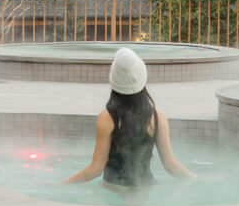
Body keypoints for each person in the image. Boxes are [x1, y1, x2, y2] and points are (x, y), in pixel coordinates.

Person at [63, 48, 195, 192]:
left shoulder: (106, 118)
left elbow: (96, 169)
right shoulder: (157, 116)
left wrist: (61, 184)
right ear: (142, 79)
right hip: (146, 188)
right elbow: (170, 165)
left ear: (114, 81)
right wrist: (195, 178)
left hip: (114, 188)